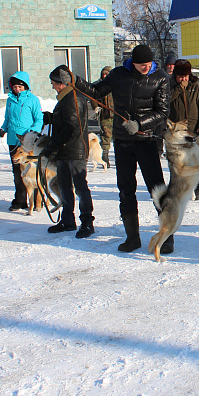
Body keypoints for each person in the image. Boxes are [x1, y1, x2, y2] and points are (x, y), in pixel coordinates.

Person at [73, 44, 170, 253]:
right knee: (126, 189)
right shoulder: (118, 75)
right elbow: (97, 91)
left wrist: (140, 124)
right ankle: (132, 237)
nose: (146, 68)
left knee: (157, 189)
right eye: (141, 65)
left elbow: (162, 111)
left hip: (146, 140)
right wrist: (75, 81)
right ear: (132, 63)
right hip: (123, 141)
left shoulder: (160, 77)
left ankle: (167, 235)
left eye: (148, 64)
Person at [43, 66, 95, 238]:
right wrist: (52, 117)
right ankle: (68, 220)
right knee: (65, 187)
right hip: (65, 150)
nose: (53, 87)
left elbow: (72, 127)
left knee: (80, 187)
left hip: (75, 150)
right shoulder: (65, 99)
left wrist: (53, 145)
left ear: (63, 83)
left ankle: (87, 222)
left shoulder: (72, 98)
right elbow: (67, 120)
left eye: (54, 83)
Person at [0, 71, 43, 212]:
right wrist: (3, 128)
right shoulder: (10, 100)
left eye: (20, 87)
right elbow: (7, 118)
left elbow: (39, 119)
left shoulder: (33, 100)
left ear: (25, 86)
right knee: (18, 173)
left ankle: (36, 201)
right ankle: (20, 200)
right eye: (15, 87)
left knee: (32, 171)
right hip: (13, 140)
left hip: (28, 142)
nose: (17, 89)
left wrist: (32, 132)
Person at [168, 59, 199, 200]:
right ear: (175, 75)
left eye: (186, 76)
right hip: (176, 133)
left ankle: (197, 190)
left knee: (194, 159)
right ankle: (177, 188)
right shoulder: (169, 85)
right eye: (181, 76)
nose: (184, 79)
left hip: (192, 130)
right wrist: (179, 88)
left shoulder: (195, 85)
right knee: (177, 162)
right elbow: (165, 102)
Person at [95, 66, 114, 168]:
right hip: (105, 115)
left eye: (107, 74)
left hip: (116, 115)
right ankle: (105, 156)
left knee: (118, 136)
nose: (104, 76)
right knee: (105, 136)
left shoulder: (116, 85)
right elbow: (94, 97)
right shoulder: (99, 86)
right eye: (103, 74)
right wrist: (96, 107)